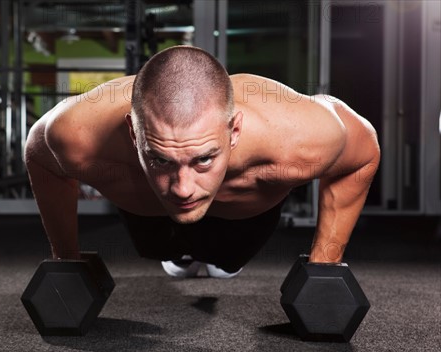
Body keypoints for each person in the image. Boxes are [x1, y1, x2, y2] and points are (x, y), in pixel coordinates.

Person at [24, 45, 380, 278]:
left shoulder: (298, 137)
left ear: (234, 130)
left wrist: (325, 264)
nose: (183, 188)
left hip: (244, 221)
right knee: (156, 248)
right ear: (135, 134)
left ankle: (211, 258)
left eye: (204, 159)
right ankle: (179, 254)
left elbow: (362, 155)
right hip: (149, 217)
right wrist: (66, 259)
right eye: (161, 159)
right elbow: (40, 160)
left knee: (226, 260)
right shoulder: (76, 133)